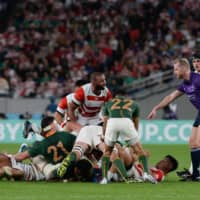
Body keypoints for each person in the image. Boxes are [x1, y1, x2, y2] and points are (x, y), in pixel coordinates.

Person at [147, 58, 200, 181]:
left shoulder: (197, 80)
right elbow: (171, 97)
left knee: (195, 142)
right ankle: (196, 174)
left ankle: (196, 174)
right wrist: (156, 108)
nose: (174, 72)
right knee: (193, 142)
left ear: (183, 68)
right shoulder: (185, 84)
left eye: (176, 69)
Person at [100, 93, 153, 184]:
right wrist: (134, 135)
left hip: (112, 122)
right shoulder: (134, 104)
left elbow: (105, 121)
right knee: (139, 150)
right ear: (126, 96)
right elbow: (136, 121)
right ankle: (146, 174)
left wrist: (104, 134)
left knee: (107, 152)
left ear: (115, 96)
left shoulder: (108, 103)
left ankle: (105, 179)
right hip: (126, 122)